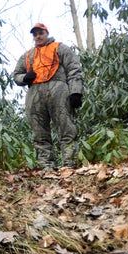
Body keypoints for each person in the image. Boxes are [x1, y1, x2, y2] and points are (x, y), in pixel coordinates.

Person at [12, 23, 84, 170]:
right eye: (35, 34)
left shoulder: (60, 48)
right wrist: (26, 78)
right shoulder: (28, 55)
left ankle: (69, 165)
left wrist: (75, 92)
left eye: (41, 33)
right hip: (35, 93)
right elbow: (16, 75)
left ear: (46, 33)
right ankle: (47, 167)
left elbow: (74, 69)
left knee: (66, 128)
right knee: (39, 132)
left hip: (58, 89)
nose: (38, 36)